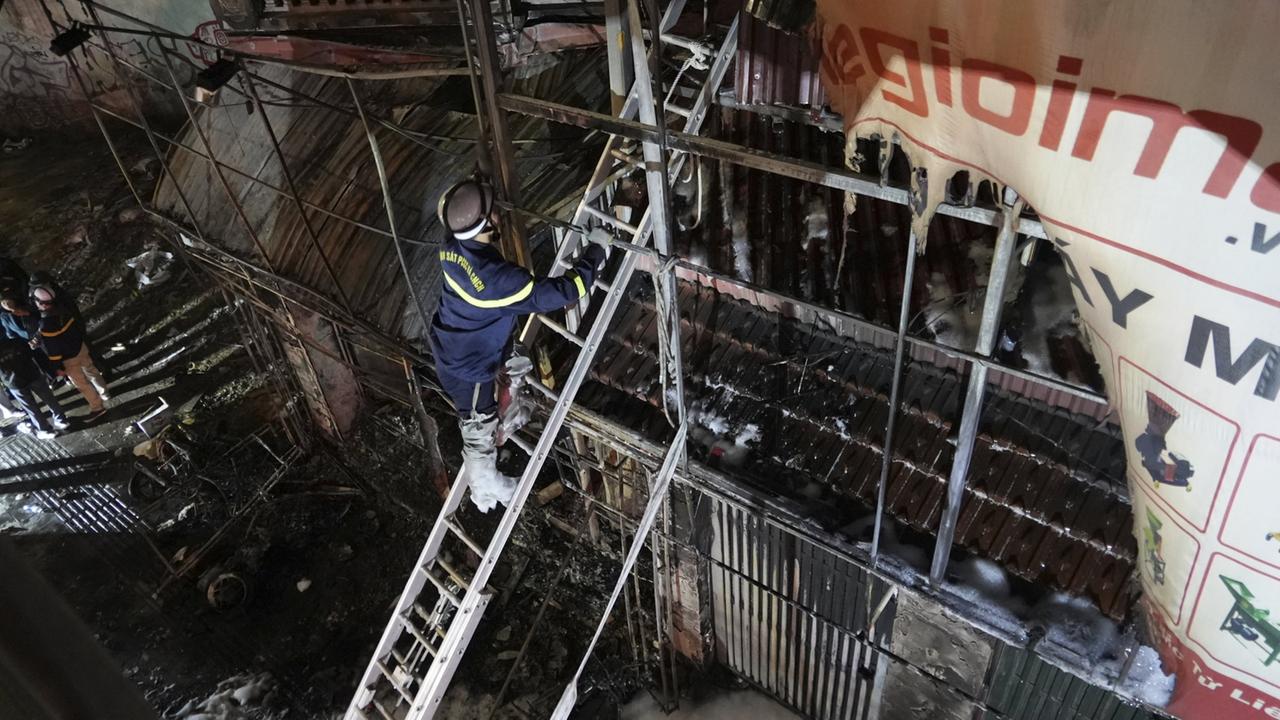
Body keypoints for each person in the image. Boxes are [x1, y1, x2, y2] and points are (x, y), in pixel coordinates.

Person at [428, 175, 611, 511]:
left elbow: (458, 211)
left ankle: (509, 410)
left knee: (514, 360)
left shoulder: (451, 246)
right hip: (469, 368)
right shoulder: (499, 283)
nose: (500, 214)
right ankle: (485, 487)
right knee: (477, 423)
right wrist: (595, 253)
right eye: (494, 212)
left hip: (455, 342)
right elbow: (567, 292)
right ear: (483, 224)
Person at [29, 276, 109, 421]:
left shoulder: (46, 324)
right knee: (91, 370)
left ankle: (98, 408)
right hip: (80, 348)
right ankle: (104, 393)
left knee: (82, 384)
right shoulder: (63, 310)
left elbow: (53, 350)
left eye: (36, 301)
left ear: (43, 304)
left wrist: (57, 367)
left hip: (69, 359)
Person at [0, 336, 69, 439]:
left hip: (14, 382)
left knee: (31, 408)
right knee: (50, 399)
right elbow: (30, 353)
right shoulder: (15, 341)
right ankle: (62, 420)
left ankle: (45, 430)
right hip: (32, 374)